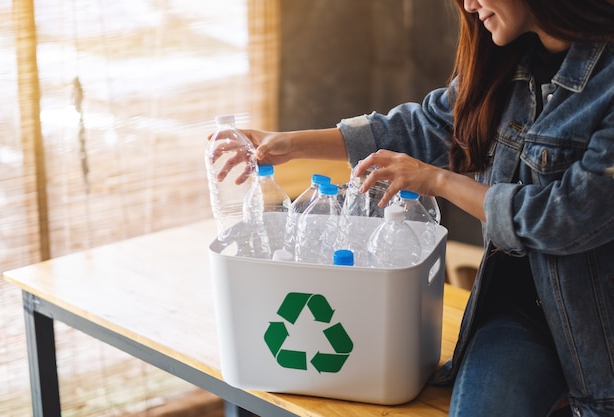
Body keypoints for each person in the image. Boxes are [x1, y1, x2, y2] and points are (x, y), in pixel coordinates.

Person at [225, 0, 614, 416]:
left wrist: (438, 180)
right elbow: (423, 126)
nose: (468, 4)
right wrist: (289, 144)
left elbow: (567, 215)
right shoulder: (510, 58)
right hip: (520, 316)